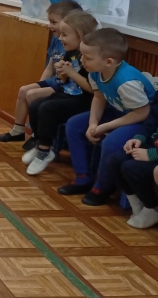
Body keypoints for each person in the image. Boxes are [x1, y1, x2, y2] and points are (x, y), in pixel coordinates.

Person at [58, 28, 155, 205]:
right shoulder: (95, 70)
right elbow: (99, 97)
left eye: (87, 57)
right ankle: (83, 177)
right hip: (120, 112)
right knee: (74, 125)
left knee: (111, 142)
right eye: (82, 55)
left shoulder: (127, 82)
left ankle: (102, 187)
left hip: (140, 119)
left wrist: (104, 127)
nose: (82, 60)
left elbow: (143, 113)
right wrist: (93, 123)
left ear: (109, 61)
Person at [0, 0, 82, 145]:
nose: (50, 26)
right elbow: (49, 67)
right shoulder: (57, 40)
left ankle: (37, 135)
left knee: (32, 94)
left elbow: (69, 78)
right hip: (54, 81)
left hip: (64, 85)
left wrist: (39, 90)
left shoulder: (72, 45)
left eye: (54, 22)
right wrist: (39, 84)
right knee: (24, 90)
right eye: (49, 21)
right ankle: (18, 131)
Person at [22, 10, 97, 175]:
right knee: (35, 105)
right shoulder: (70, 52)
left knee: (47, 108)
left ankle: (44, 151)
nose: (60, 38)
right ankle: (40, 144)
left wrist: (71, 73)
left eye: (65, 35)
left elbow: (92, 89)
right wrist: (62, 71)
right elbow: (63, 81)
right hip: (68, 93)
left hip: (84, 100)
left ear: (80, 35)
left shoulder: (90, 57)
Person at [108, 92, 158, 228]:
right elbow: (151, 120)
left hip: (154, 154)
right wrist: (138, 138)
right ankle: (137, 205)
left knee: (132, 168)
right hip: (151, 145)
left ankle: (152, 207)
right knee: (116, 160)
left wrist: (151, 154)